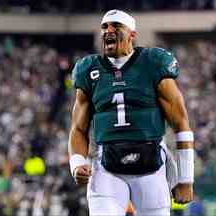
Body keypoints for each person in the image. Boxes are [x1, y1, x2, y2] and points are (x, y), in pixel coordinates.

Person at [68, 9, 194, 216]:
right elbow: (78, 128)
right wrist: (77, 163)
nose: (108, 31)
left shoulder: (153, 63)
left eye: (116, 26)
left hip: (151, 165)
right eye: (104, 27)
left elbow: (181, 124)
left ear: (132, 34)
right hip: (107, 166)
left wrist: (186, 179)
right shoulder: (89, 70)